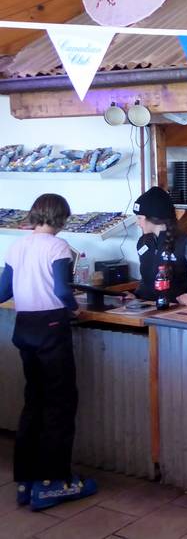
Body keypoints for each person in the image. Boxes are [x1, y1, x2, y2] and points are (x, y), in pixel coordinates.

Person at [0, 194, 98, 510]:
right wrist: (74, 310)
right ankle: (54, 482)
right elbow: (61, 290)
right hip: (52, 328)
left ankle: (26, 480)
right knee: (60, 404)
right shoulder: (58, 247)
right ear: (61, 219)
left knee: (34, 402)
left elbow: (3, 291)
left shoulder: (17, 246)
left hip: (24, 327)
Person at [133, 187, 187, 305]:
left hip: (177, 308)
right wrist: (135, 295)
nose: (137, 223)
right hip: (147, 308)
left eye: (140, 218)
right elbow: (146, 279)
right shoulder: (143, 242)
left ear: (155, 218)